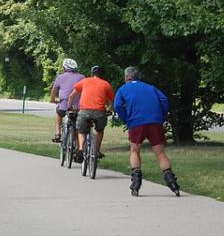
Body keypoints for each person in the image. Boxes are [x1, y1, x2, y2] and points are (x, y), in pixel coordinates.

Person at [114, 66, 180, 197]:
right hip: (155, 121)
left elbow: (117, 106)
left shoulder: (123, 89)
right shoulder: (151, 87)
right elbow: (164, 100)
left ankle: (136, 184)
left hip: (136, 122)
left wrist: (126, 119)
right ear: (139, 77)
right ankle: (173, 184)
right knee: (160, 153)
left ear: (126, 78)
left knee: (135, 150)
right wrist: (161, 115)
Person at [68, 66, 114, 163]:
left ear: (92, 73)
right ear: (102, 75)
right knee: (99, 130)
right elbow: (112, 101)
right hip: (99, 112)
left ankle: (80, 149)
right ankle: (96, 151)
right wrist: (109, 110)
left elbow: (72, 96)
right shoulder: (106, 84)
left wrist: (70, 107)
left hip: (84, 111)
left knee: (81, 131)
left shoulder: (85, 81)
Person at [50, 59, 85, 143]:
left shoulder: (60, 77)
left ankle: (57, 133)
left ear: (64, 68)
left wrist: (52, 99)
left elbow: (54, 90)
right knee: (77, 125)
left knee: (59, 113)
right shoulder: (82, 77)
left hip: (64, 105)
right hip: (78, 107)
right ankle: (78, 146)